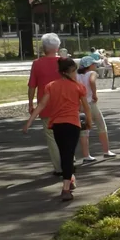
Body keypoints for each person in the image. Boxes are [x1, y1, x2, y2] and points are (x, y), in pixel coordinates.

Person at [23, 57, 92, 202]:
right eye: (74, 71)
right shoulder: (78, 87)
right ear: (70, 71)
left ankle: (70, 179)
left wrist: (29, 122)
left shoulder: (51, 86)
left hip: (57, 125)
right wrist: (90, 121)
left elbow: (41, 105)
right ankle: (65, 188)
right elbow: (86, 107)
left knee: (64, 153)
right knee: (69, 154)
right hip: (73, 124)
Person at [27, 33, 64, 175]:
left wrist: (31, 103)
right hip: (64, 104)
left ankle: (59, 167)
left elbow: (32, 86)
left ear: (44, 47)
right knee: (66, 134)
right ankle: (68, 161)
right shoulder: (64, 62)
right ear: (58, 46)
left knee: (51, 137)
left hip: (46, 105)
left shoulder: (37, 63)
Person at [75, 56, 117, 163]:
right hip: (90, 103)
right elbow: (92, 81)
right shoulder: (92, 73)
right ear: (90, 65)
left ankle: (86, 155)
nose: (96, 65)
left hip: (80, 105)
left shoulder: (76, 75)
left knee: (84, 130)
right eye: (94, 64)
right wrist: (94, 94)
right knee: (101, 125)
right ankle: (106, 151)